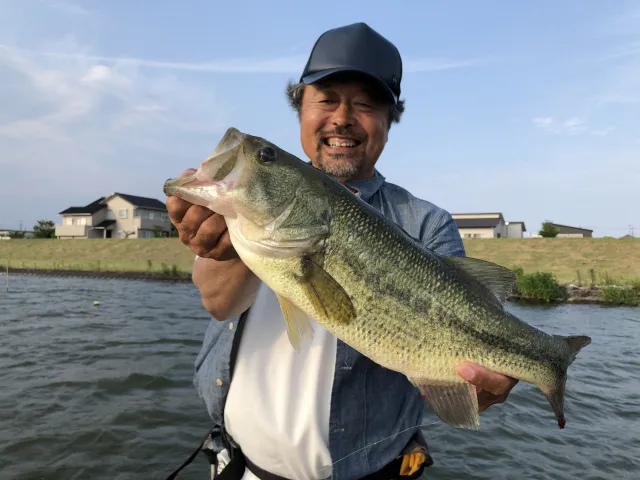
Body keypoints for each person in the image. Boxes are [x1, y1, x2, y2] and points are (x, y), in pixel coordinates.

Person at [166, 22, 518, 480]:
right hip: (239, 467)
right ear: (301, 111)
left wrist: (476, 383)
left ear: (388, 124)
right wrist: (223, 241)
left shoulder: (427, 223)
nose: (342, 117)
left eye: (366, 104)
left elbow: (460, 342)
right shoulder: (256, 206)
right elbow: (218, 303)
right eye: (326, 99)